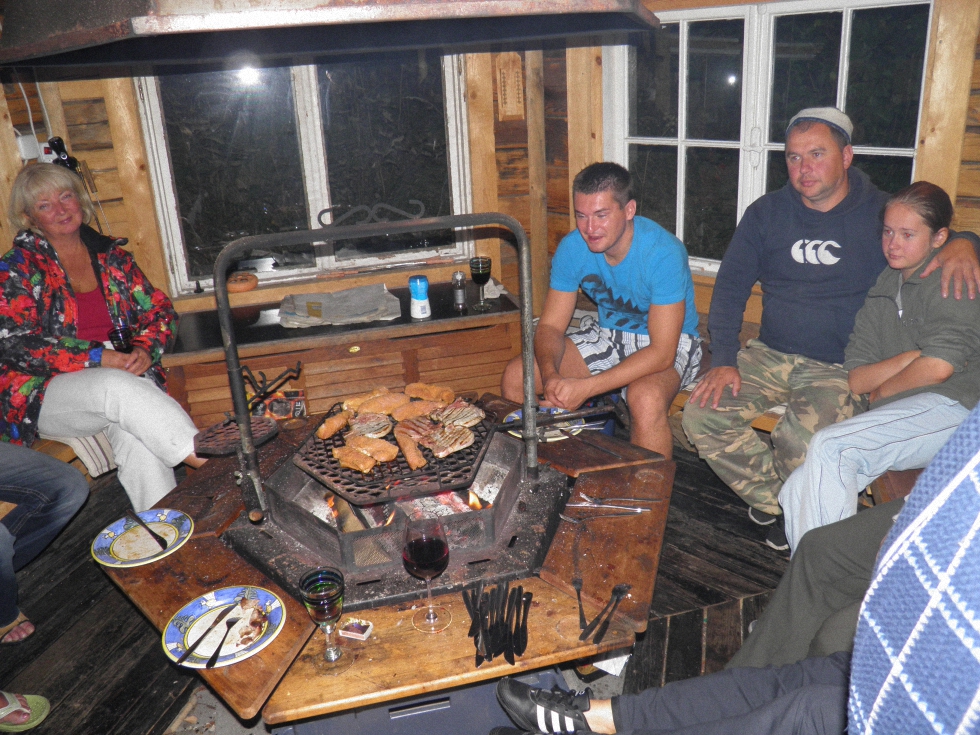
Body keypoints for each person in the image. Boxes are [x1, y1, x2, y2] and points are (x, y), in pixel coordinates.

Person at [682, 107, 980, 549]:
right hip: (768, 353)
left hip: (840, 367)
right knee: (702, 416)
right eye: (794, 157)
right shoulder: (766, 213)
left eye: (817, 154)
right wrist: (724, 358)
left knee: (801, 441)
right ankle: (782, 504)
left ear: (846, 156)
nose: (804, 168)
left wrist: (966, 242)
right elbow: (729, 288)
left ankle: (801, 514)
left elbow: (928, 231)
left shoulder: (880, 215)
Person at [779, 182, 980, 551]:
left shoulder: (954, 277)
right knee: (795, 489)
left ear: (939, 238)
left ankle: (823, 580)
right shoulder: (886, 285)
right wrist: (908, 359)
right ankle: (816, 576)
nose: (893, 244)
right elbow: (858, 378)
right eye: (888, 232)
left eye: (907, 234)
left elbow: (940, 366)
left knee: (833, 446)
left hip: (960, 408)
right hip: (909, 412)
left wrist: (885, 388)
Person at [0, 163, 205, 511]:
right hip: (43, 389)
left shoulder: (111, 257)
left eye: (66, 197)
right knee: (118, 386)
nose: (61, 209)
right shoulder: (17, 267)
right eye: (45, 205)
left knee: (140, 440)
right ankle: (213, 463)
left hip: (120, 378)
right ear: (30, 217)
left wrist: (145, 347)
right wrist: (97, 357)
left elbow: (160, 311)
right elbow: (15, 344)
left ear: (79, 200)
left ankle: (164, 533)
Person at [500, 163, 701, 459]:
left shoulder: (663, 252)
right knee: (518, 375)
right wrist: (552, 375)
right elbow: (551, 327)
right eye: (581, 216)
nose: (589, 229)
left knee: (645, 398)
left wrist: (586, 388)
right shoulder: (572, 248)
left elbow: (662, 353)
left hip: (670, 342)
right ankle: (543, 472)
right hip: (609, 335)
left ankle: (647, 488)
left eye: (601, 215)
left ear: (629, 210)